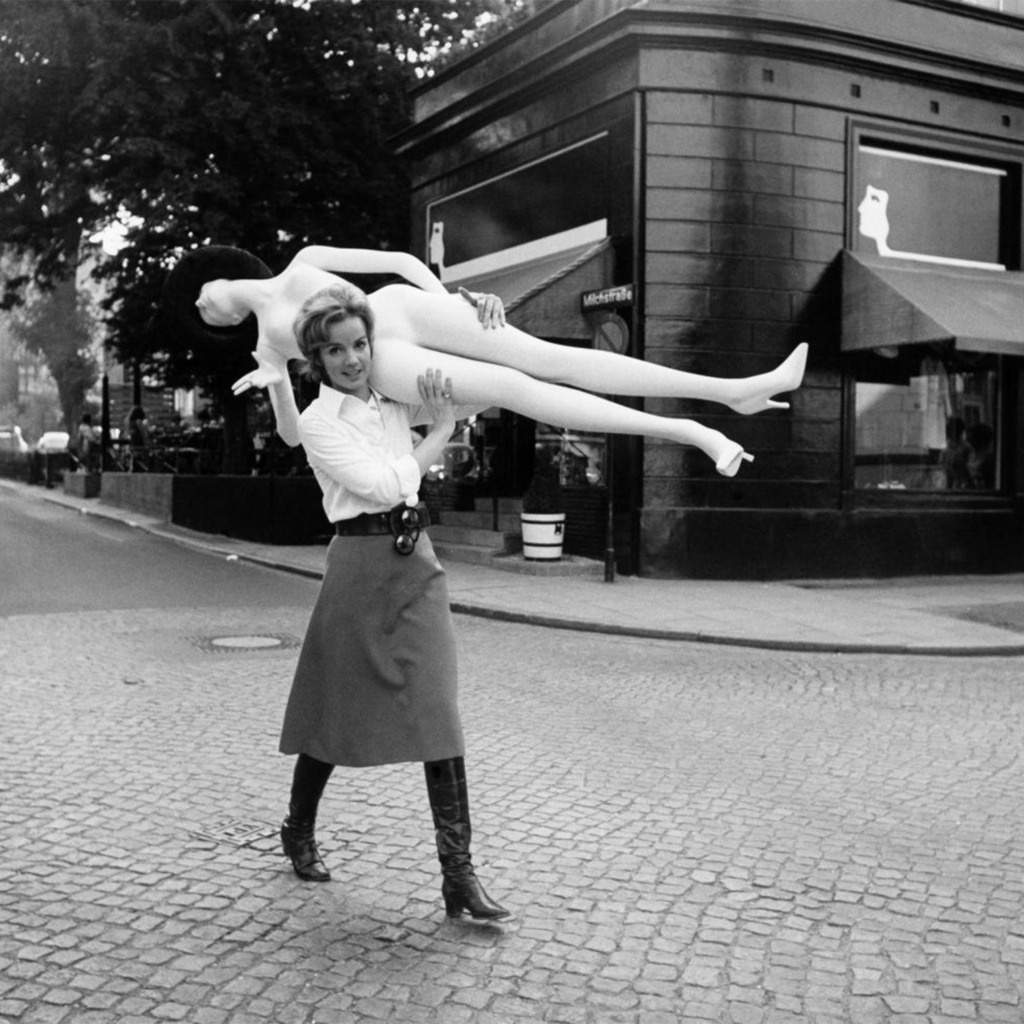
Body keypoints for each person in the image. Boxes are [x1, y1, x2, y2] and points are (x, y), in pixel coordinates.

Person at [274, 283, 510, 921]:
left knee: (439, 714)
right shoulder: (320, 422)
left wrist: (482, 319)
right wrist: (439, 435)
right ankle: (298, 827)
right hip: (357, 571)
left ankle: (458, 877)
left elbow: (489, 387)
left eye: (359, 344)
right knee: (334, 714)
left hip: (417, 566)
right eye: (335, 350)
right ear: (315, 360)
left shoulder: (393, 398)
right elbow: (381, 488)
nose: (352, 359)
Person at [162, 245, 808, 478]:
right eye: (201, 311)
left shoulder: (305, 259)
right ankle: (689, 429)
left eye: (202, 293)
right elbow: (292, 434)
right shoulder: (266, 346)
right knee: (516, 386)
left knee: (546, 356)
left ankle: (732, 391)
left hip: (402, 306)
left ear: (219, 275)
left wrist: (454, 303)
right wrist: (277, 387)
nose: (203, 304)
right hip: (387, 359)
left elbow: (405, 263)